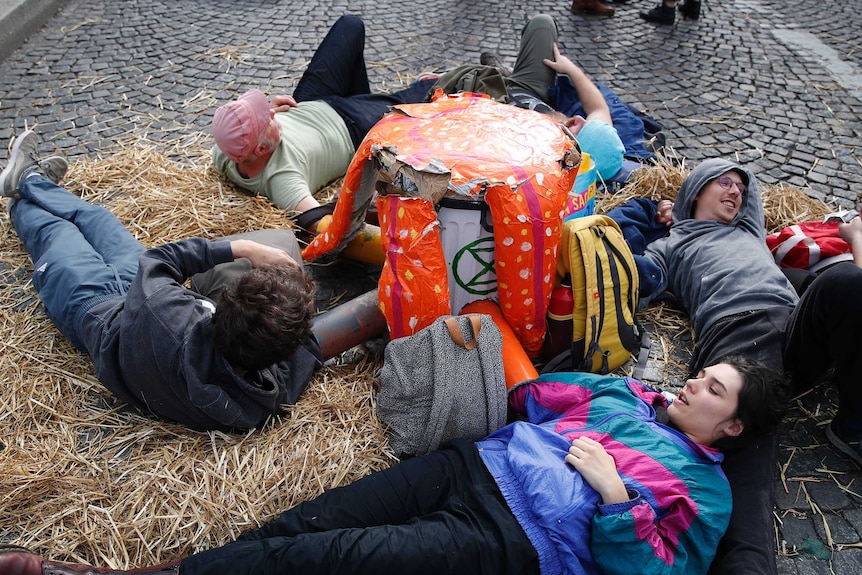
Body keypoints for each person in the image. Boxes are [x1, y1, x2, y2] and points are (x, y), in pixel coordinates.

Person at [0, 358, 788, 575]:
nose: (692, 383)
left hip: (511, 540)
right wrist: (606, 391)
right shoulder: (632, 401)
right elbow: (529, 394)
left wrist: (617, 499)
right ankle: (173, 571)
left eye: (712, 388)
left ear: (734, 425)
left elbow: (654, 573)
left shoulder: (704, 494)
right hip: (470, 466)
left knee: (331, 555)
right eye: (700, 372)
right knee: (307, 519)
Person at [606, 157, 862, 575]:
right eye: (721, 182)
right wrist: (644, 220)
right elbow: (640, 276)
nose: (735, 191)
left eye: (740, 187)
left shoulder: (749, 230)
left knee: (847, 282)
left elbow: (751, 196)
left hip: (793, 322)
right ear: (695, 190)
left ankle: (853, 427)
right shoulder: (672, 243)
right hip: (739, 333)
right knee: (745, 450)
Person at [1, 130, 323, 432]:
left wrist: (243, 248)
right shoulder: (266, 397)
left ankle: (22, 190)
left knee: (57, 232)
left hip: (93, 304)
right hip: (138, 297)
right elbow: (308, 346)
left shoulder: (167, 313)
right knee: (99, 218)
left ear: (220, 305)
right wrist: (292, 311)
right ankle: (36, 182)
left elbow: (160, 260)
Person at [211, 14, 437, 213]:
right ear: (260, 148)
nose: (272, 114)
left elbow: (238, 130)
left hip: (305, 104)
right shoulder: (282, 180)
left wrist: (266, 111)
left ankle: (365, 99)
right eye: (266, 119)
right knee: (424, 94)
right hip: (350, 126)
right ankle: (419, 89)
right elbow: (318, 221)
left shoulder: (224, 151)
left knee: (350, 26)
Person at [499, 14, 628, 181]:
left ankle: (496, 71)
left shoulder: (535, 155)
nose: (579, 119)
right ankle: (503, 72)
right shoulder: (603, 140)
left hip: (488, 99)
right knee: (542, 23)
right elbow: (598, 108)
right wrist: (571, 69)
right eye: (589, 124)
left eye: (580, 131)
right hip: (529, 91)